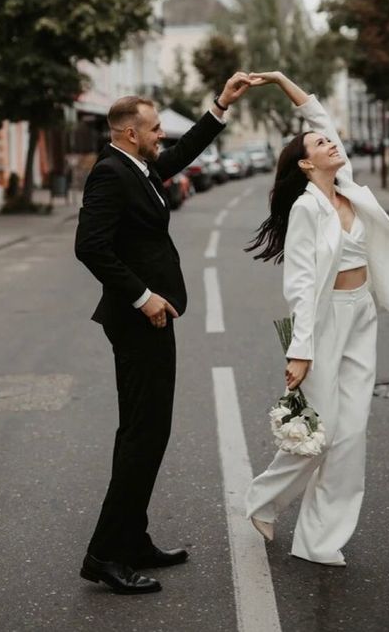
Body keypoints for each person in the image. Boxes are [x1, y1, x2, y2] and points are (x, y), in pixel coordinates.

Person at [75, 72, 251, 594]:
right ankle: (105, 554)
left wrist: (220, 105)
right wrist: (142, 295)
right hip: (138, 320)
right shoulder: (111, 173)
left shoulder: (141, 167)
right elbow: (90, 246)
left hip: (153, 319)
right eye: (154, 129)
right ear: (130, 133)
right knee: (142, 436)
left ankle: (132, 538)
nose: (161, 137)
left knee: (145, 433)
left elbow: (181, 155)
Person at [244, 71, 389, 566]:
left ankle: (320, 540)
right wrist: (300, 350)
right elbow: (299, 284)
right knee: (320, 431)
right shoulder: (306, 208)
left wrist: (280, 80)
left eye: (330, 141)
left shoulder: (348, 188)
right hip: (324, 322)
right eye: (323, 143)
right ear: (306, 162)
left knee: (351, 433)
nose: (332, 144)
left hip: (362, 313)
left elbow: (318, 116)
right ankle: (263, 499)